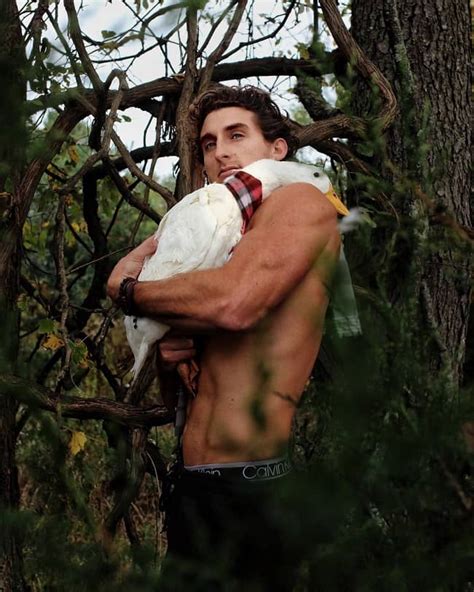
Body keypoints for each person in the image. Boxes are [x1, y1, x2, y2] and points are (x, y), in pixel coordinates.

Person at [107, 86, 342, 590]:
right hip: (194, 489)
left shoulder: (300, 202)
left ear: (277, 149)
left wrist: (127, 290)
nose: (221, 153)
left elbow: (235, 304)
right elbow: (179, 395)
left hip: (250, 493)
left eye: (236, 136)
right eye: (209, 144)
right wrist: (170, 356)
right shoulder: (224, 233)